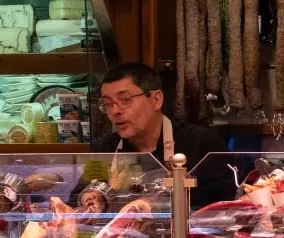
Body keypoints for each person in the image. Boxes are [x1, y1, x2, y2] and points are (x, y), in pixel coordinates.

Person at [91, 63, 238, 204]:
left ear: (156, 100)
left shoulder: (201, 143)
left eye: (125, 100)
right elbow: (84, 195)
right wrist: (92, 198)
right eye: (107, 104)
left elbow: (233, 205)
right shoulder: (105, 149)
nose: (115, 111)